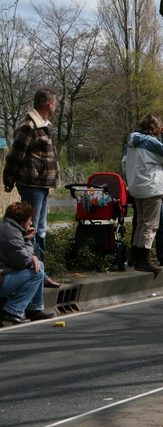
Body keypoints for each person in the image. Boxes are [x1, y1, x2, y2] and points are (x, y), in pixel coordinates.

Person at [2, 88, 61, 289]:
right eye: (55, 103)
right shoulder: (30, 126)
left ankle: (40, 273)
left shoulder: (44, 126)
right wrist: (8, 178)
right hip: (32, 183)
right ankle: (36, 274)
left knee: (41, 230)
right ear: (49, 104)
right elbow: (15, 155)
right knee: (33, 229)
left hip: (42, 184)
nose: (55, 107)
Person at [122, 114, 163, 272]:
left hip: (136, 187)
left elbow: (125, 164)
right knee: (150, 225)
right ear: (156, 128)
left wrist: (130, 181)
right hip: (151, 187)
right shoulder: (151, 141)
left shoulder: (130, 143)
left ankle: (137, 259)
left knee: (140, 223)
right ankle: (144, 260)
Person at [0, 202, 54, 324]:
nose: (31, 223)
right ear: (22, 219)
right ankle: (11, 311)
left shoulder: (8, 229)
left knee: (39, 265)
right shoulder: (12, 234)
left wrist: (32, 254)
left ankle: (34, 309)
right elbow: (24, 263)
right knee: (37, 273)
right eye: (29, 219)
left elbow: (20, 256)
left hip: (4, 273)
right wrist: (29, 240)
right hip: (1, 279)